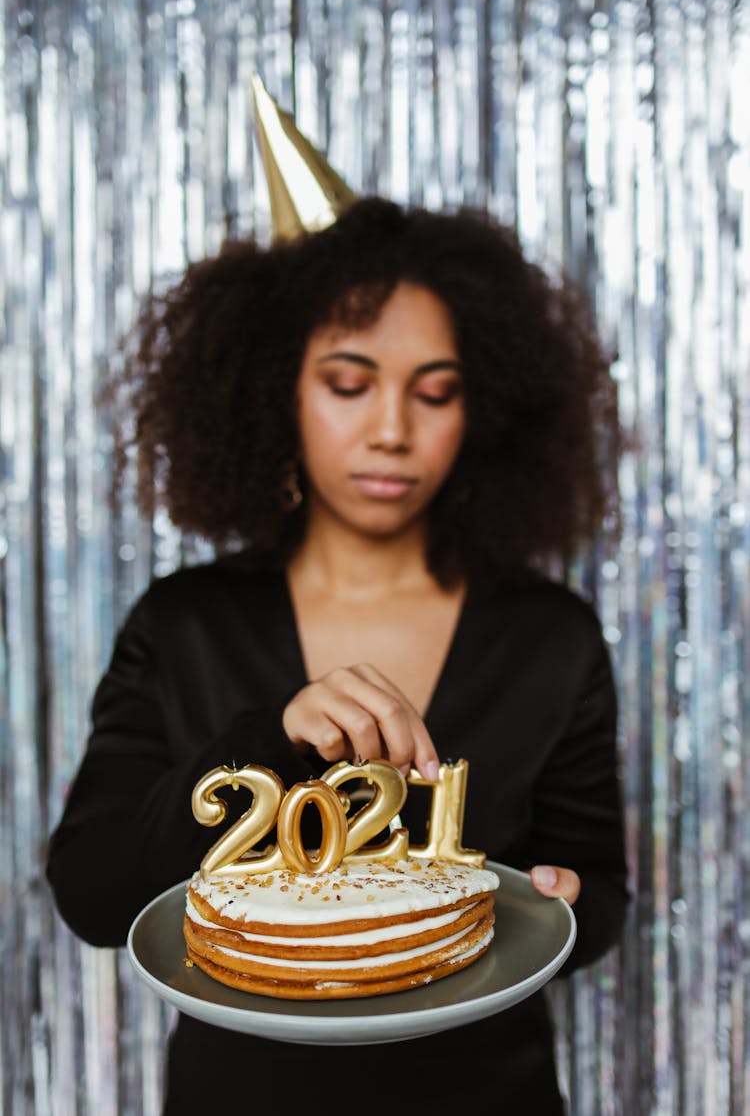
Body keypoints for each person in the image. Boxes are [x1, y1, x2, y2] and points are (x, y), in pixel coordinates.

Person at [46, 191, 629, 1113]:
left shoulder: (549, 634)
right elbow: (91, 893)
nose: (392, 428)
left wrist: (563, 903)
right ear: (273, 386)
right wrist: (269, 737)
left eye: (435, 391)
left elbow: (597, 890)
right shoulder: (183, 623)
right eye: (349, 384)